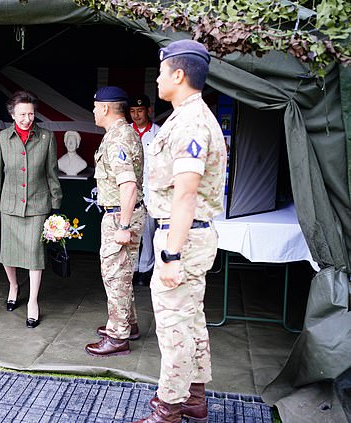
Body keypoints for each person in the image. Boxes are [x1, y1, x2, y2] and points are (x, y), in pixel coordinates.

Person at [134, 40, 226, 423]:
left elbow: (186, 193)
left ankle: (168, 408)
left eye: (160, 72)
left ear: (178, 75)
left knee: (173, 326)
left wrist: (170, 255)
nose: (156, 79)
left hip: (181, 239)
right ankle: (194, 398)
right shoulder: (187, 116)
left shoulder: (189, 121)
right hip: (189, 236)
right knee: (191, 320)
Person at [0, 90, 62, 329]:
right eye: (22, 114)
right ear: (12, 114)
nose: (27, 118)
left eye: (30, 113)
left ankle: (32, 302)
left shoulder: (46, 138)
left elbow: (52, 175)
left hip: (38, 205)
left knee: (34, 255)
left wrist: (56, 206)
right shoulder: (1, 139)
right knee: (8, 254)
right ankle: (14, 286)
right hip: (9, 205)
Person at [84, 86, 146, 357]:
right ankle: (128, 324)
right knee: (122, 274)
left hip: (120, 214)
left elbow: (128, 185)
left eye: (96, 107)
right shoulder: (123, 133)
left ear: (106, 108)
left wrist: (122, 226)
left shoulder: (117, 139)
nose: (94, 111)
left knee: (114, 275)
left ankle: (118, 337)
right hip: (123, 213)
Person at [128, 94, 161, 286]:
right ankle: (132, 269)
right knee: (130, 233)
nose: (136, 115)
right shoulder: (126, 132)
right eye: (132, 111)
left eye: (139, 111)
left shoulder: (158, 133)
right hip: (129, 192)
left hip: (150, 192)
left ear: (148, 110)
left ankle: (146, 269)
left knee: (148, 233)